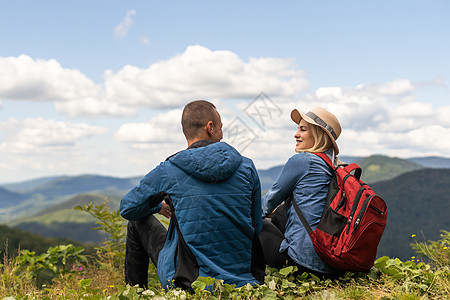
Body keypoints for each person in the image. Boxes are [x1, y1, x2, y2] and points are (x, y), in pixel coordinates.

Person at [120, 100, 264, 290]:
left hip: (189, 282)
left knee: (137, 221)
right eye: (220, 125)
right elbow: (256, 226)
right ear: (210, 127)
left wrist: (157, 206)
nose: (222, 131)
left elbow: (128, 208)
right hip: (243, 280)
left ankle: (137, 294)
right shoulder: (246, 166)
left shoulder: (169, 169)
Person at [260, 106, 342, 278]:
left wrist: (233, 213)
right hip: (332, 263)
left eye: (303, 129)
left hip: (302, 265)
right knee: (280, 215)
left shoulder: (304, 161)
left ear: (319, 135)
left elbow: (266, 205)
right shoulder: (336, 166)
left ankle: (251, 276)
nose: (296, 134)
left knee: (258, 224)